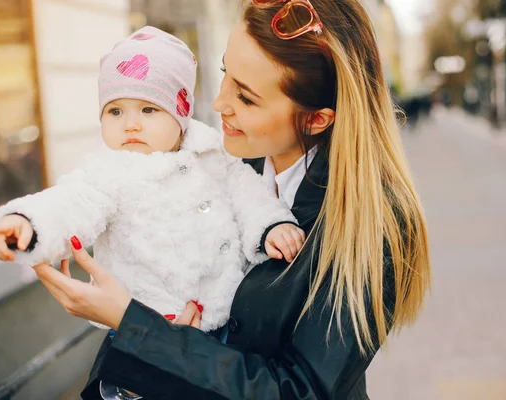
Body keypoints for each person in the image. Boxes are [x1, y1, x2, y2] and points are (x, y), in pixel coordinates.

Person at [32, 1, 431, 398]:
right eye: (226, 73)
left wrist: (139, 328)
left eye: (246, 97)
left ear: (316, 119)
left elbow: (298, 390)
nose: (219, 103)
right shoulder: (220, 160)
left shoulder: (375, 221)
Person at [0, 26, 304, 334]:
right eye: (115, 111)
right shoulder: (108, 171)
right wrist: (29, 222)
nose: (131, 125)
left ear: (181, 117)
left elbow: (249, 194)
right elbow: (71, 202)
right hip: (149, 324)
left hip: (227, 318)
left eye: (149, 110)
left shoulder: (211, 154)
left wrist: (271, 226)